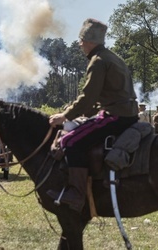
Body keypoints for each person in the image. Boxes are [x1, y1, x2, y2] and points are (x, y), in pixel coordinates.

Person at [47, 18, 139, 212]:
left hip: (115, 116)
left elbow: (88, 96)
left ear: (88, 41)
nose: (80, 45)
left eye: (81, 41)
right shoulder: (112, 57)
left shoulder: (97, 62)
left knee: (70, 142)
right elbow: (101, 97)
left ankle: (76, 194)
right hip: (126, 113)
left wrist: (65, 116)